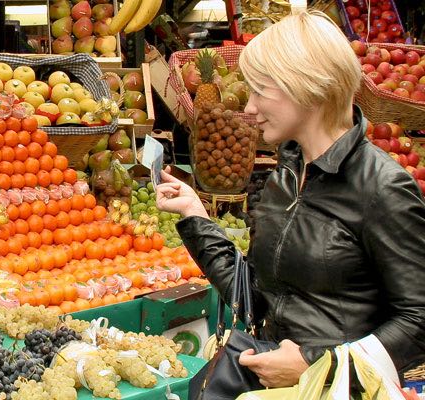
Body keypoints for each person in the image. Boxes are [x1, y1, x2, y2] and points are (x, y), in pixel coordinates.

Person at [155, 11, 425, 389]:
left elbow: (418, 320)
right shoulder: (284, 179)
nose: (248, 108)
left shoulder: (382, 188)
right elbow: (256, 293)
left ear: (307, 86)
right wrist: (195, 216)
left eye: (261, 91)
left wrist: (319, 366)